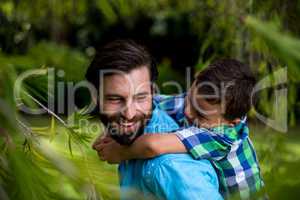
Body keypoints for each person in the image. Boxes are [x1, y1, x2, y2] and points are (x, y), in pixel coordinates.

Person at [97, 59, 265, 199]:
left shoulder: (223, 136)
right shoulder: (202, 103)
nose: (187, 112)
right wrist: (116, 129)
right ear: (197, 79)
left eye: (200, 115)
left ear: (232, 122)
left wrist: (120, 152)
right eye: (189, 99)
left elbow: (152, 145)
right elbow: (150, 103)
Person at [87, 40, 223, 200]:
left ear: (152, 93)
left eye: (140, 97)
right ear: (95, 97)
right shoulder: (131, 135)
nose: (130, 114)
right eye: (115, 99)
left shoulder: (171, 168)